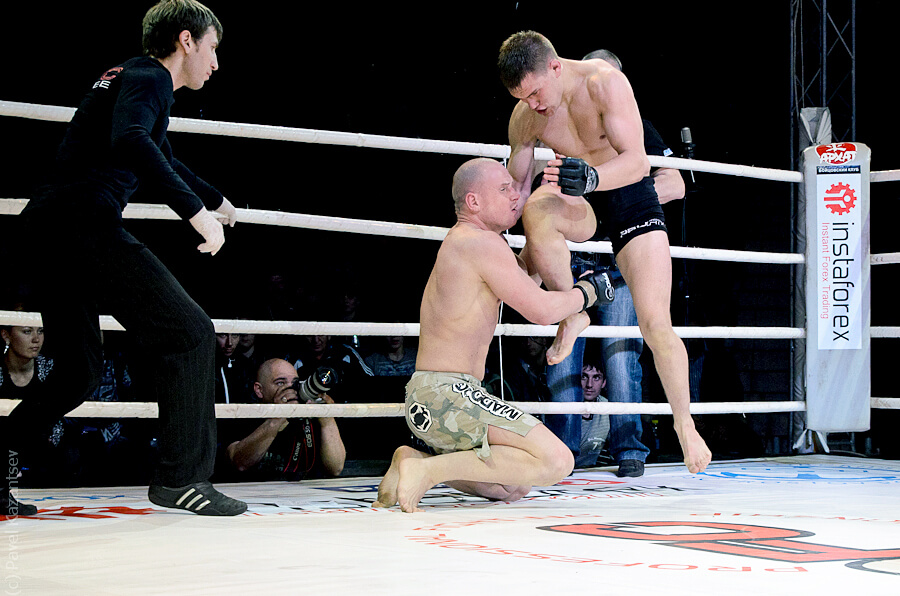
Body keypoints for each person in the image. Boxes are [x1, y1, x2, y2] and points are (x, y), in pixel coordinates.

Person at [2, 0, 246, 517]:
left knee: (78, 372)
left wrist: (215, 199)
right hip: (82, 226)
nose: (215, 63)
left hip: (47, 229)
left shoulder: (130, 77)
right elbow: (133, 140)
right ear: (186, 41)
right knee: (191, 333)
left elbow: (159, 151)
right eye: (212, 48)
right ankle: (182, 479)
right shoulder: (150, 78)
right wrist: (194, 214)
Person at [498, 31, 711, 475]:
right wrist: (493, 231)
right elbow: (516, 187)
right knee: (537, 207)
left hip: (629, 194)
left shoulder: (604, 82)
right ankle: (572, 311)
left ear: (555, 66)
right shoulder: (526, 116)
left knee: (655, 324)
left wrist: (593, 177)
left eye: (536, 93)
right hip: (582, 200)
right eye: (523, 98)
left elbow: (637, 161)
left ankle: (685, 424)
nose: (533, 104)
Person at [373, 157, 614, 513]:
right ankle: (428, 471)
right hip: (447, 396)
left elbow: (526, 279)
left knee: (511, 486)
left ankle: (413, 459)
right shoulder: (478, 243)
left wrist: (542, 223)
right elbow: (541, 311)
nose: (515, 195)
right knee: (557, 461)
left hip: (438, 398)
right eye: (504, 189)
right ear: (473, 201)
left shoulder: (474, 243)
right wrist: (588, 292)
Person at [543, 48, 687, 478]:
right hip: (575, 250)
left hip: (621, 248)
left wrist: (617, 196)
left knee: (622, 355)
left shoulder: (634, 123)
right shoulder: (555, 114)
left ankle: (629, 448)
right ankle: (563, 452)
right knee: (564, 356)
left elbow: (674, 183)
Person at [220, 358, 345, 481]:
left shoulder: (309, 415)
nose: (290, 389)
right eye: (280, 383)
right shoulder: (242, 415)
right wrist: (277, 418)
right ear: (259, 390)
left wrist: (327, 420)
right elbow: (240, 463)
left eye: (295, 383)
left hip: (300, 491)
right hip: (253, 490)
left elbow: (336, 468)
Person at [575, 352, 610, 468]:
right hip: (560, 471)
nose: (589, 384)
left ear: (604, 382)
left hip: (590, 472)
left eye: (596, 378)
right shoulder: (563, 406)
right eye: (584, 377)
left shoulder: (608, 408)